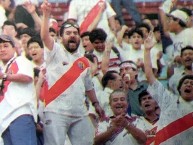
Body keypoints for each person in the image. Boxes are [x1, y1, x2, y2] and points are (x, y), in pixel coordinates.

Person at [40, 1, 104, 145]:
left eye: (75, 33)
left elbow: (89, 87)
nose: (72, 36)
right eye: (68, 33)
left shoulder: (84, 61)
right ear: (61, 37)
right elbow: (44, 36)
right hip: (56, 112)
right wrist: (46, 15)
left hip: (79, 113)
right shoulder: (54, 51)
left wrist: (96, 103)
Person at [144, 31, 193, 144]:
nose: (189, 85)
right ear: (179, 89)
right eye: (185, 83)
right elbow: (150, 76)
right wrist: (147, 51)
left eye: (192, 84)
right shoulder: (168, 99)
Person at [0, 34, 37, 145]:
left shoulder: (21, 60)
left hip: (20, 114)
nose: (2, 49)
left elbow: (27, 77)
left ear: (14, 48)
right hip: (4, 121)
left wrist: (4, 76)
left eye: (5, 46)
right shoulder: (3, 68)